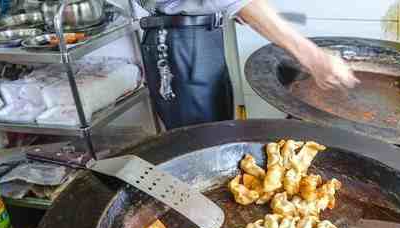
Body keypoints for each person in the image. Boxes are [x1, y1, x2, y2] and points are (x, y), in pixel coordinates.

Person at [138, 0, 359, 130]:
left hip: (201, 35)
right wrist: (315, 58)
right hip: (175, 40)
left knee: (218, 131)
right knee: (198, 139)